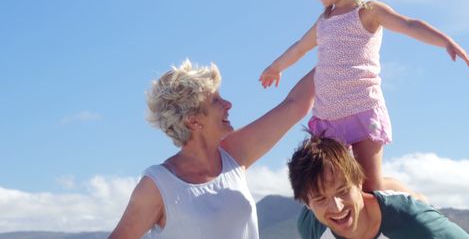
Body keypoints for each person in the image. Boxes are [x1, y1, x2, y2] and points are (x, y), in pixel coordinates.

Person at [260, 0, 469, 193]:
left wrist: (445, 42)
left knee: (370, 187)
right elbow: (299, 47)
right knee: (333, 182)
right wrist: (276, 67)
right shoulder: (324, 20)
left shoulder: (368, 11)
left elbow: (408, 24)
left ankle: (399, 190)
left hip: (362, 109)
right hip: (328, 116)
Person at [109, 60, 315, 239]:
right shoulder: (156, 186)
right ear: (193, 120)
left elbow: (295, 104)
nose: (228, 104)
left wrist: (337, 48)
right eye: (216, 100)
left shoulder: (235, 154)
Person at [288, 136, 469, 239]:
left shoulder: (412, 221)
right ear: (306, 203)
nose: (337, 208)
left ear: (359, 181)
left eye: (343, 191)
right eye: (320, 199)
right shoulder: (311, 227)